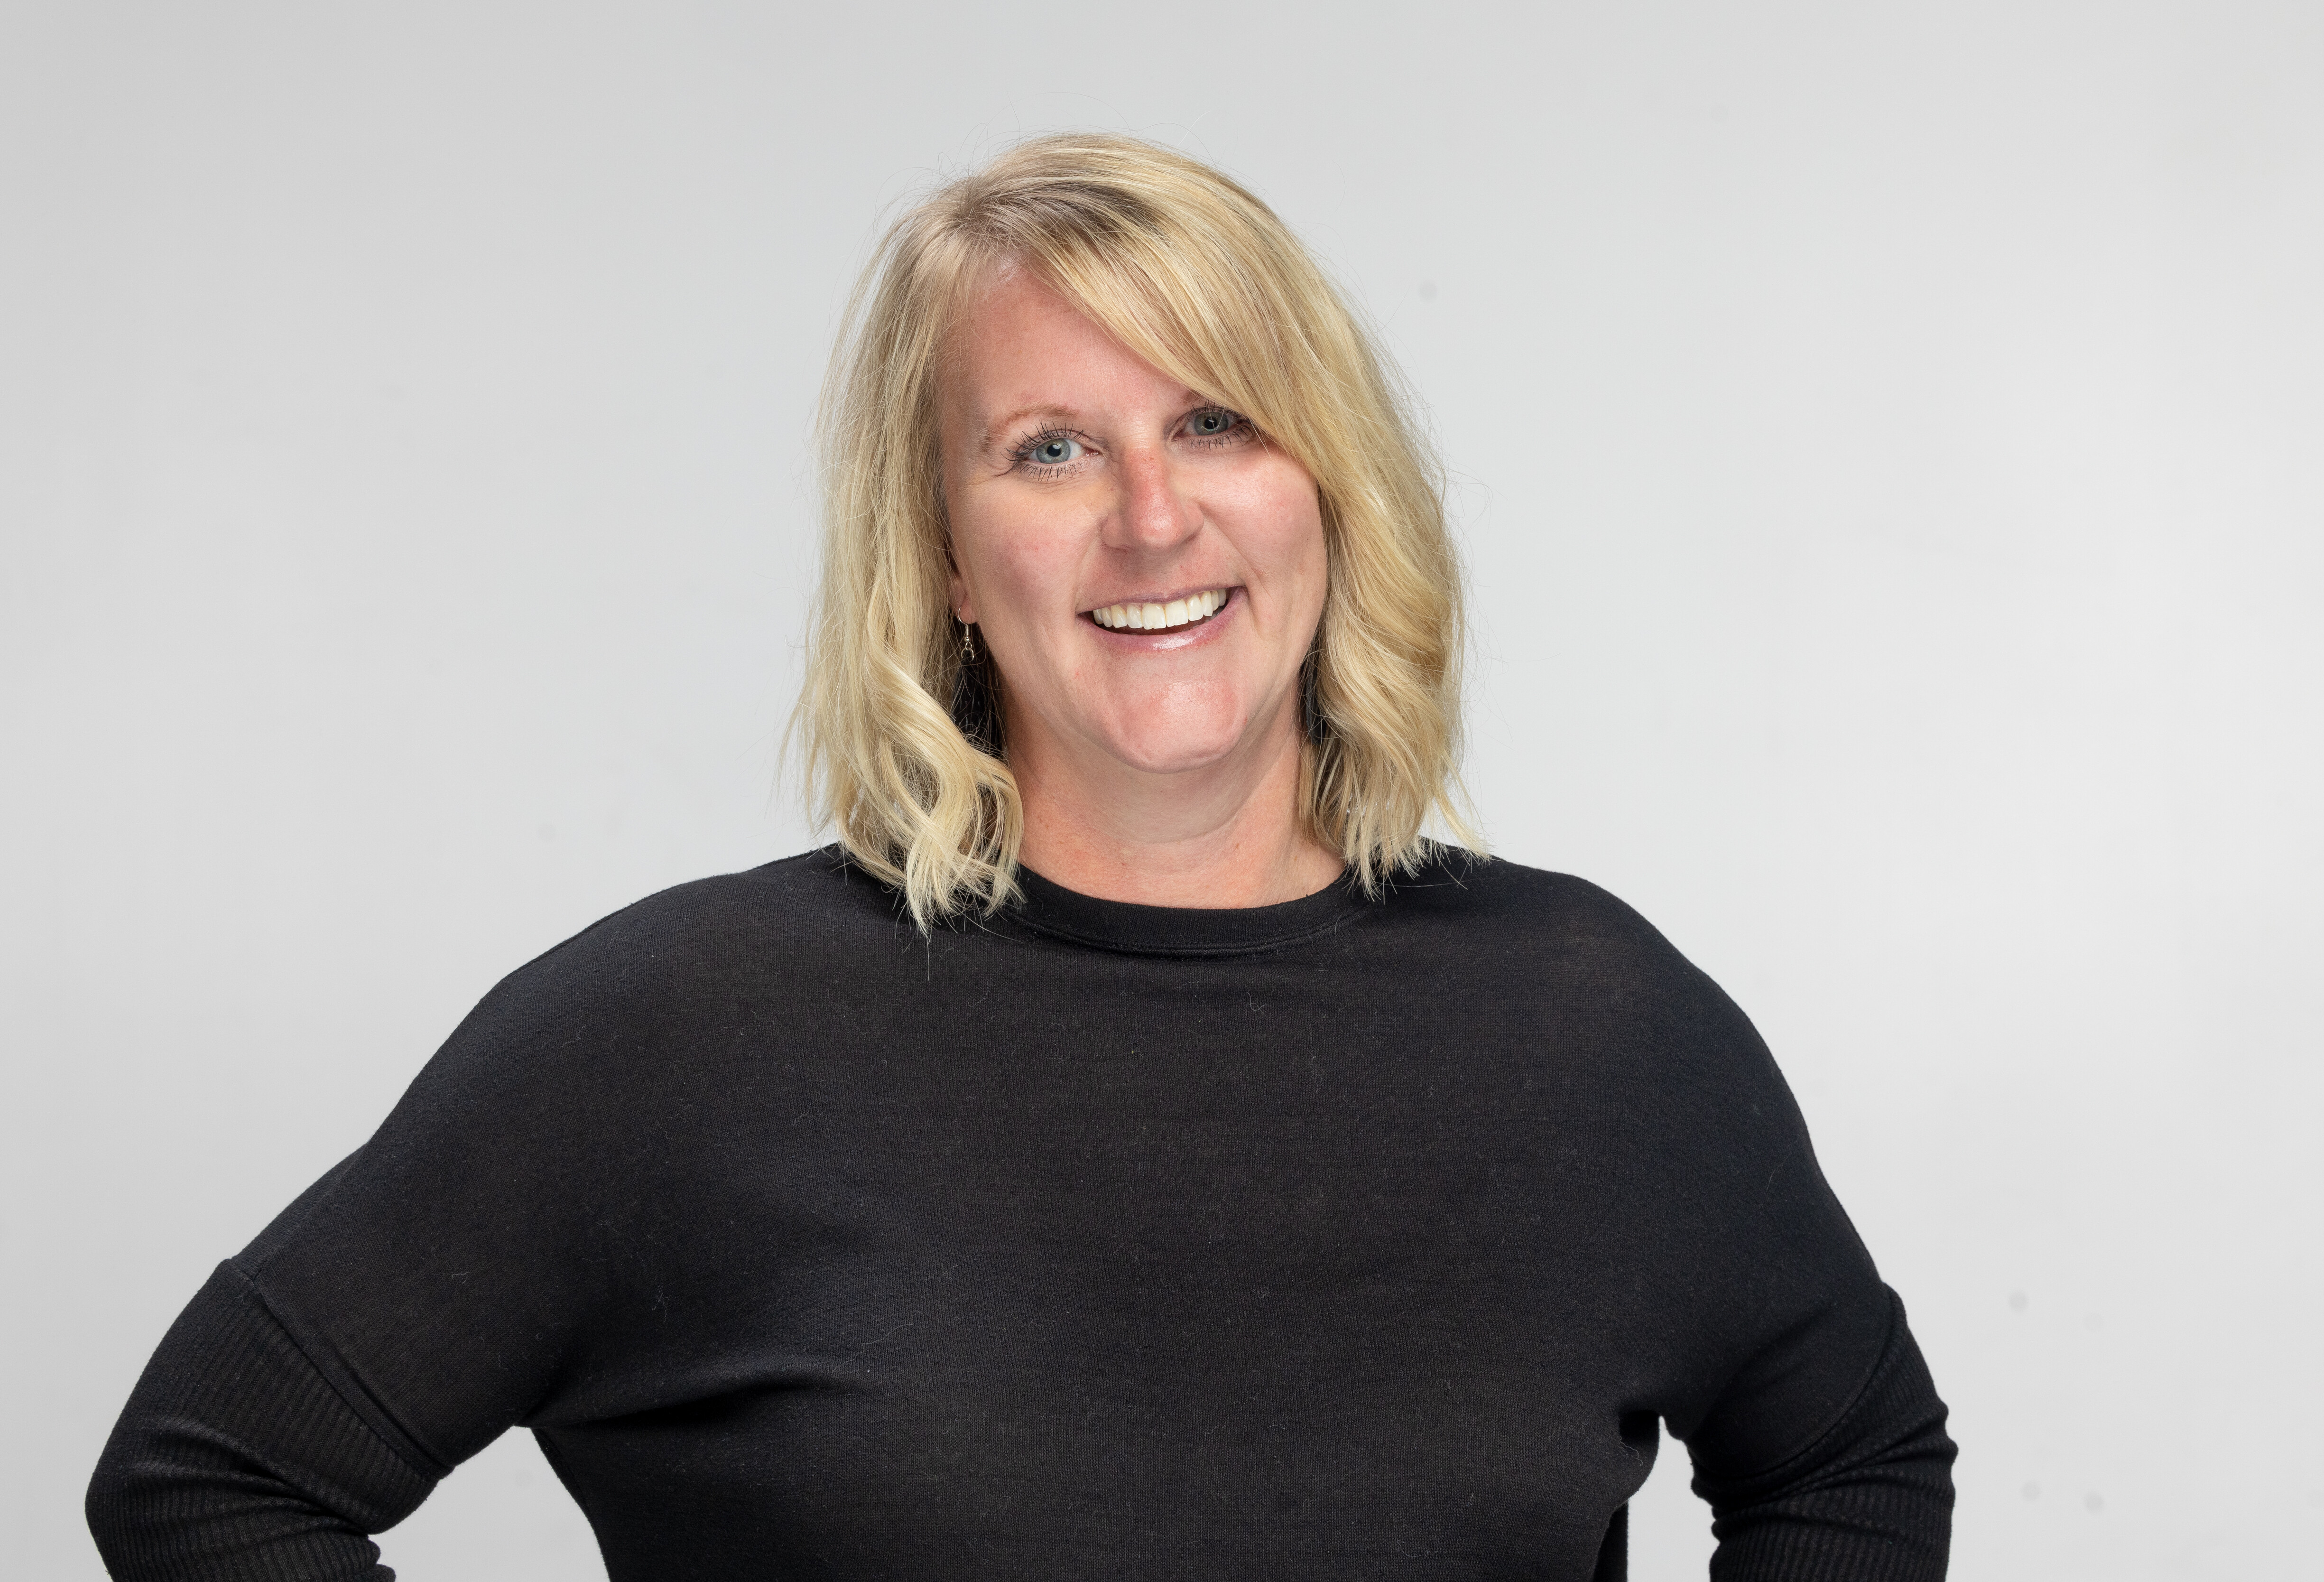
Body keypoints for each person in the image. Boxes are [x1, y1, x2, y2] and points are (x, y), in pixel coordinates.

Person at [87, 134, 1954, 1580]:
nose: (1151, 518)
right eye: (1049, 448)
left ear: (1324, 491)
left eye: (1216, 422)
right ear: (948, 556)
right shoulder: (678, 1039)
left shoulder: (1592, 1028)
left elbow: (1849, 1455)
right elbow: (215, 1472)